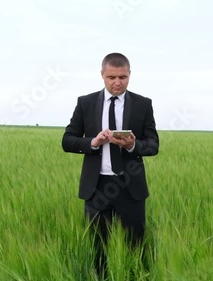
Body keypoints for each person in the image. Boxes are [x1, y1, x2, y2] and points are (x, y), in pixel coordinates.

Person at [62, 53, 159, 278]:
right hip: (96, 187)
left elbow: (153, 145)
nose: (117, 82)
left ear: (130, 75)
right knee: (98, 250)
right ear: (102, 75)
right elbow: (67, 140)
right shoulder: (85, 103)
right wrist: (93, 142)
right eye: (112, 77)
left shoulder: (143, 104)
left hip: (130, 187)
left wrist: (133, 145)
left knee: (135, 248)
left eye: (123, 77)